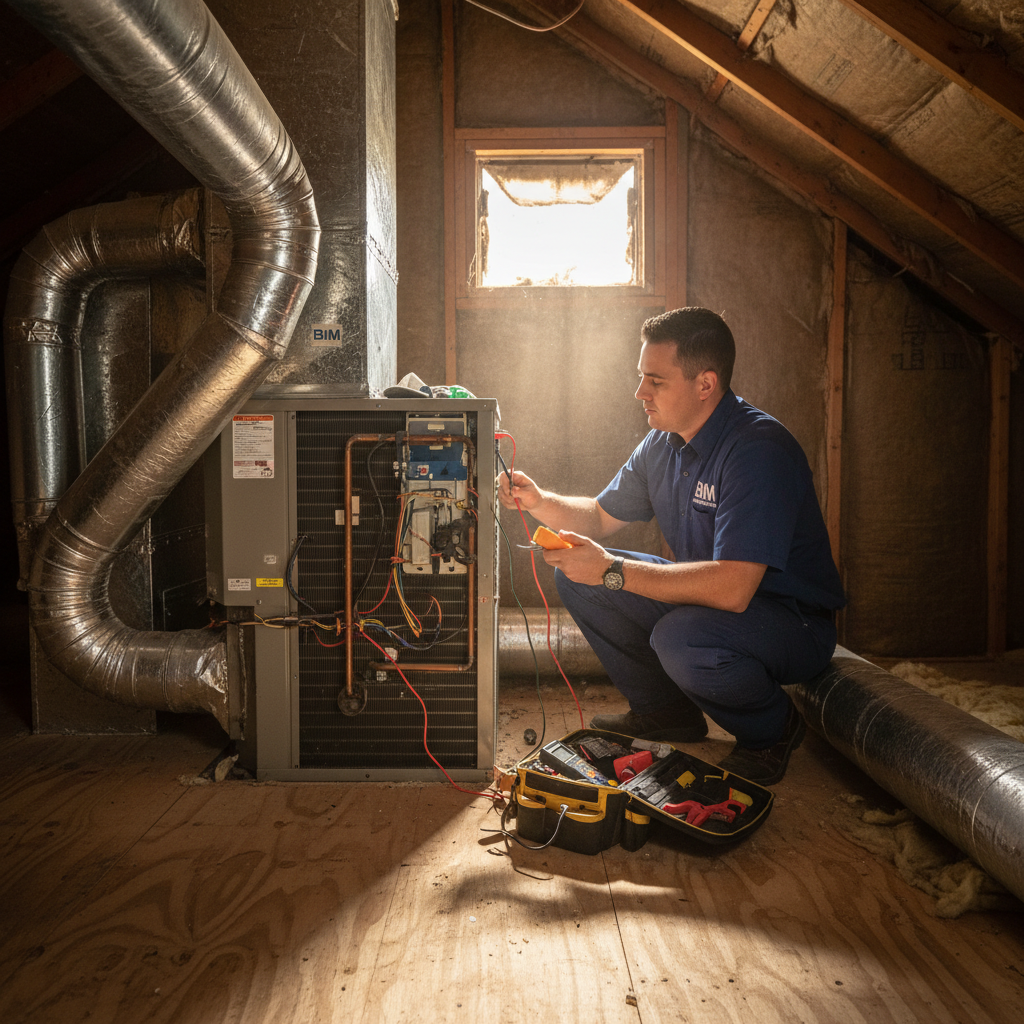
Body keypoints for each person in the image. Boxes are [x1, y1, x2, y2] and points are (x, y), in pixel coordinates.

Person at [497, 307, 845, 785]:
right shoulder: (662, 444)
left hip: (791, 623)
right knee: (578, 579)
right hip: (712, 606)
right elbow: (598, 516)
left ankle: (772, 730)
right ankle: (666, 712)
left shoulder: (758, 450)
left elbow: (733, 589)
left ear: (705, 384)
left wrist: (611, 569)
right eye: (641, 376)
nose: (640, 392)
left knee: (678, 636)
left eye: (655, 381)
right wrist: (539, 501)